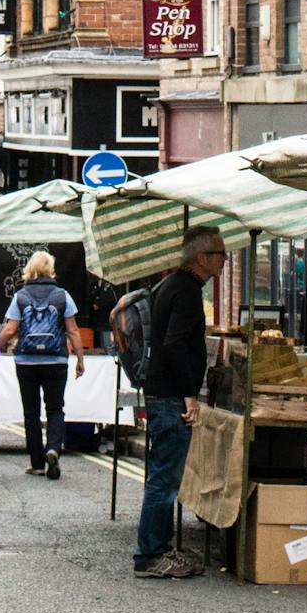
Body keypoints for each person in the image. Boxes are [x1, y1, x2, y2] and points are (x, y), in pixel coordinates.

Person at [134, 228, 222, 581]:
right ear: (201, 258)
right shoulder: (185, 291)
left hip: (163, 393)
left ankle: (160, 548)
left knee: (164, 475)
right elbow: (173, 344)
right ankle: (150, 554)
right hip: (171, 397)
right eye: (220, 253)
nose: (225, 259)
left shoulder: (173, 285)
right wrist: (190, 392)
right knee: (165, 478)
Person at [0, 250, 85, 480]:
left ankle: (36, 462)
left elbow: (11, 329)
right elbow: (73, 330)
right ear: (51, 269)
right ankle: (53, 448)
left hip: (26, 360)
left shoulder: (21, 296)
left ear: (30, 269)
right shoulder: (62, 296)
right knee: (55, 408)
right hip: (56, 359)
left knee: (31, 411)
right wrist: (80, 359)